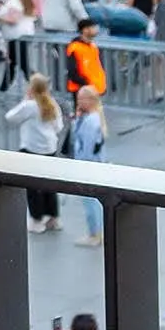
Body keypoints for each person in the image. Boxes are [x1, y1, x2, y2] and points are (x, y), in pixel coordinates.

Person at [10, 71, 67, 235]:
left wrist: (24, 100)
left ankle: (36, 220)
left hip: (31, 148)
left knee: (33, 186)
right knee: (49, 184)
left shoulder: (30, 106)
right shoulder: (52, 104)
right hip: (49, 148)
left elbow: (11, 117)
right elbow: (59, 126)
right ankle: (54, 217)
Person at [67, 83, 111, 246]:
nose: (78, 102)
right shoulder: (92, 118)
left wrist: (81, 167)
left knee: (90, 201)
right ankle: (97, 232)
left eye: (81, 99)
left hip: (89, 165)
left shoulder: (90, 122)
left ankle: (95, 233)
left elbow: (86, 146)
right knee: (93, 201)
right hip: (95, 164)